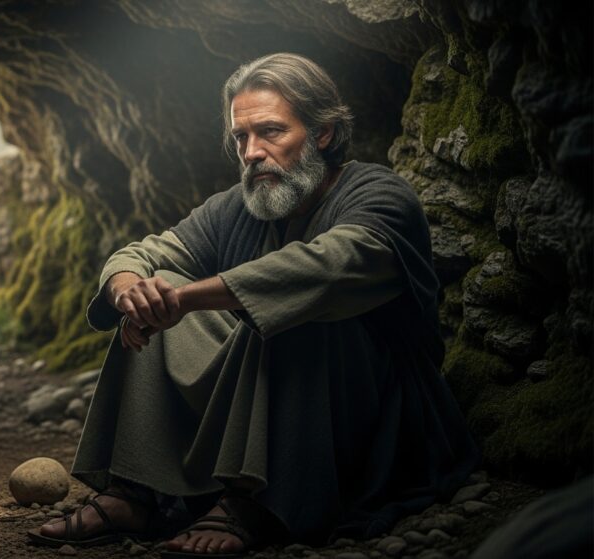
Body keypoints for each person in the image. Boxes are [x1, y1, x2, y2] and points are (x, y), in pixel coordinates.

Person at [27, 52, 479, 558]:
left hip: (373, 421)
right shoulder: (235, 207)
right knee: (156, 286)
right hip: (261, 391)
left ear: (323, 134)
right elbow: (144, 253)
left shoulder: (381, 195)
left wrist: (185, 298)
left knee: (297, 302)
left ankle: (254, 502)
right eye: (241, 138)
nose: (252, 152)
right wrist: (132, 287)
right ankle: (136, 492)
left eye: (271, 133)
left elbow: (328, 266)